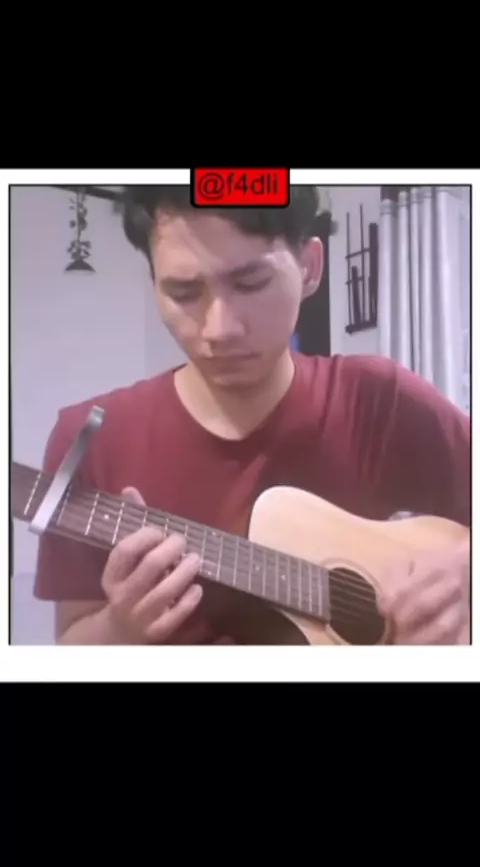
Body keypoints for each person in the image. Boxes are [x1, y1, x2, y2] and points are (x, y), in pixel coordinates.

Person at [33, 186, 471, 646]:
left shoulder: (380, 400)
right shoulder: (91, 438)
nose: (220, 329)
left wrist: (463, 567)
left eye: (251, 283)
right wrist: (120, 628)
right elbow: (70, 647)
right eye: (184, 292)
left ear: (310, 267)